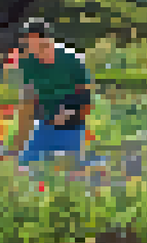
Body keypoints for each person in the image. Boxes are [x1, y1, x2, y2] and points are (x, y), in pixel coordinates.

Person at [6, 24, 94, 168]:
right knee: (25, 164)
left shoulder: (72, 59)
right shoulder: (28, 63)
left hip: (72, 125)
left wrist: (70, 114)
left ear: (48, 41)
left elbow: (86, 100)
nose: (30, 48)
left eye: (34, 43)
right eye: (27, 44)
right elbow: (27, 103)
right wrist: (20, 145)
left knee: (70, 168)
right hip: (44, 123)